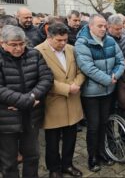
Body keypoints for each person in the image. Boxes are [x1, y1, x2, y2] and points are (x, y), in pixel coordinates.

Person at [0, 25, 54, 178]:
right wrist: (26, 101)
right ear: (2, 43)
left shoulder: (34, 55)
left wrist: (30, 98)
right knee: (9, 162)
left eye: (21, 43)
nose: (18, 48)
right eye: (13, 45)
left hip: (31, 117)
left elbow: (46, 78)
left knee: (32, 156)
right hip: (6, 119)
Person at [74, 14, 125, 172]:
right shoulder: (82, 43)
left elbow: (120, 61)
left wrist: (116, 74)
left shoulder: (110, 41)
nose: (103, 29)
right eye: (99, 26)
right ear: (91, 26)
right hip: (91, 93)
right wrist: (107, 79)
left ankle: (103, 152)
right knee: (94, 126)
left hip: (108, 91)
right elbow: (87, 67)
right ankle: (92, 157)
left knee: (104, 123)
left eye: (104, 26)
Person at [35, 23, 85, 178]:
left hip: (73, 101)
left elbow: (81, 70)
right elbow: (41, 78)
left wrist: (77, 83)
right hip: (53, 103)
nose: (63, 43)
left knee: (71, 137)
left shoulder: (71, 49)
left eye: (65, 39)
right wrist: (66, 89)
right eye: (59, 40)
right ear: (49, 37)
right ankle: (54, 169)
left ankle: (67, 165)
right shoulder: (37, 51)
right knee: (52, 140)